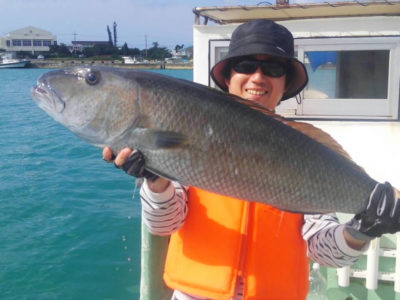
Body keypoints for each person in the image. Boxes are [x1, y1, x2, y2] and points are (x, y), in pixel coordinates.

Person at [103, 20, 400, 300]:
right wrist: (157, 182)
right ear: (229, 77)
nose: (258, 77)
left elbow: (327, 252)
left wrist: (362, 231)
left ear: (285, 85)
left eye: (272, 68)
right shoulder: (188, 128)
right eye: (245, 65)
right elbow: (164, 224)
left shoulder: (303, 152)